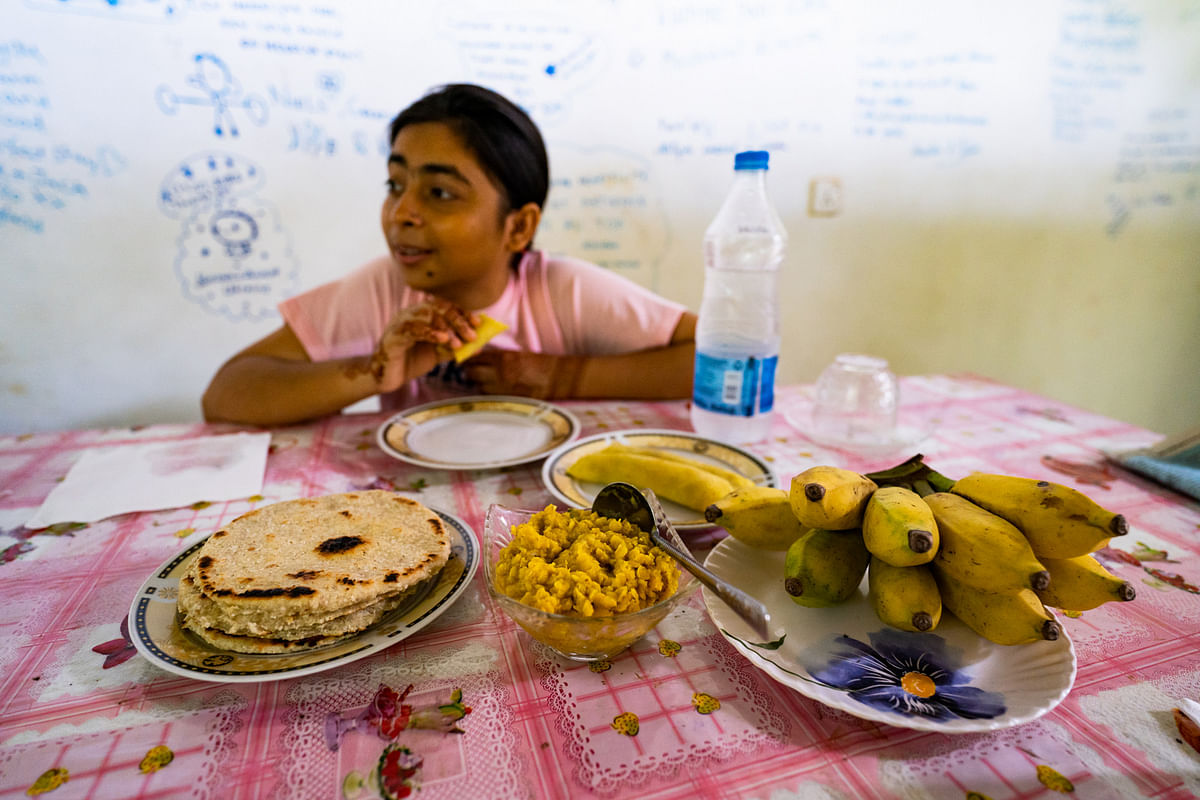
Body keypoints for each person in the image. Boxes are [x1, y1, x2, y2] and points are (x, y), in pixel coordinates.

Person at [202, 83, 696, 427]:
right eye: (395, 185)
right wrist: (376, 371)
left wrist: (564, 375)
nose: (401, 212)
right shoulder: (383, 290)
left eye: (439, 193)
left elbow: (715, 357)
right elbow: (226, 394)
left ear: (518, 226)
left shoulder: (561, 291)